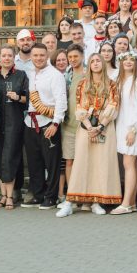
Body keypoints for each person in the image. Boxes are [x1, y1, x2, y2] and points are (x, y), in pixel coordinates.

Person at [58, 53, 121, 217]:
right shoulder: (82, 84)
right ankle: (70, 202)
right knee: (81, 163)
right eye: (92, 61)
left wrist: (100, 126)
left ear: (103, 64)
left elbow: (113, 106)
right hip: (85, 128)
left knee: (100, 164)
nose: (95, 63)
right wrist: (89, 127)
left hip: (105, 128)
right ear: (89, 65)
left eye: (98, 61)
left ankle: (95, 202)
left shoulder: (112, 84)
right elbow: (79, 107)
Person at [21, 43, 67, 209]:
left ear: (47, 56)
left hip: (48, 122)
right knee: (34, 162)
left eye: (42, 55)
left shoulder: (55, 75)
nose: (38, 58)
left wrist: (55, 123)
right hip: (30, 122)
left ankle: (51, 197)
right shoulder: (30, 73)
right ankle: (38, 194)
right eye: (35, 55)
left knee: (51, 163)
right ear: (31, 57)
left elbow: (61, 101)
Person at [112, 51, 137, 214]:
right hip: (121, 126)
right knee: (129, 165)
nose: (128, 62)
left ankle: (126, 203)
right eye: (125, 59)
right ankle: (132, 202)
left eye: (131, 60)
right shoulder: (119, 81)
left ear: (136, 63)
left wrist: (134, 130)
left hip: (132, 128)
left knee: (129, 164)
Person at [0, 44, 29, 210]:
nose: (6, 58)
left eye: (9, 55)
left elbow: (28, 99)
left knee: (10, 158)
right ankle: (2, 195)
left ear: (14, 58)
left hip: (14, 123)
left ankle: (10, 196)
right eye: (4, 55)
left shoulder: (21, 75)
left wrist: (17, 97)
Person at [60, 44, 87, 206]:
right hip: (68, 125)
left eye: (75, 56)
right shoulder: (65, 76)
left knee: (84, 162)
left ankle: (86, 196)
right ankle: (72, 195)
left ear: (82, 56)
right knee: (69, 161)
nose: (72, 59)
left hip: (84, 126)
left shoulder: (88, 74)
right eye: (70, 57)